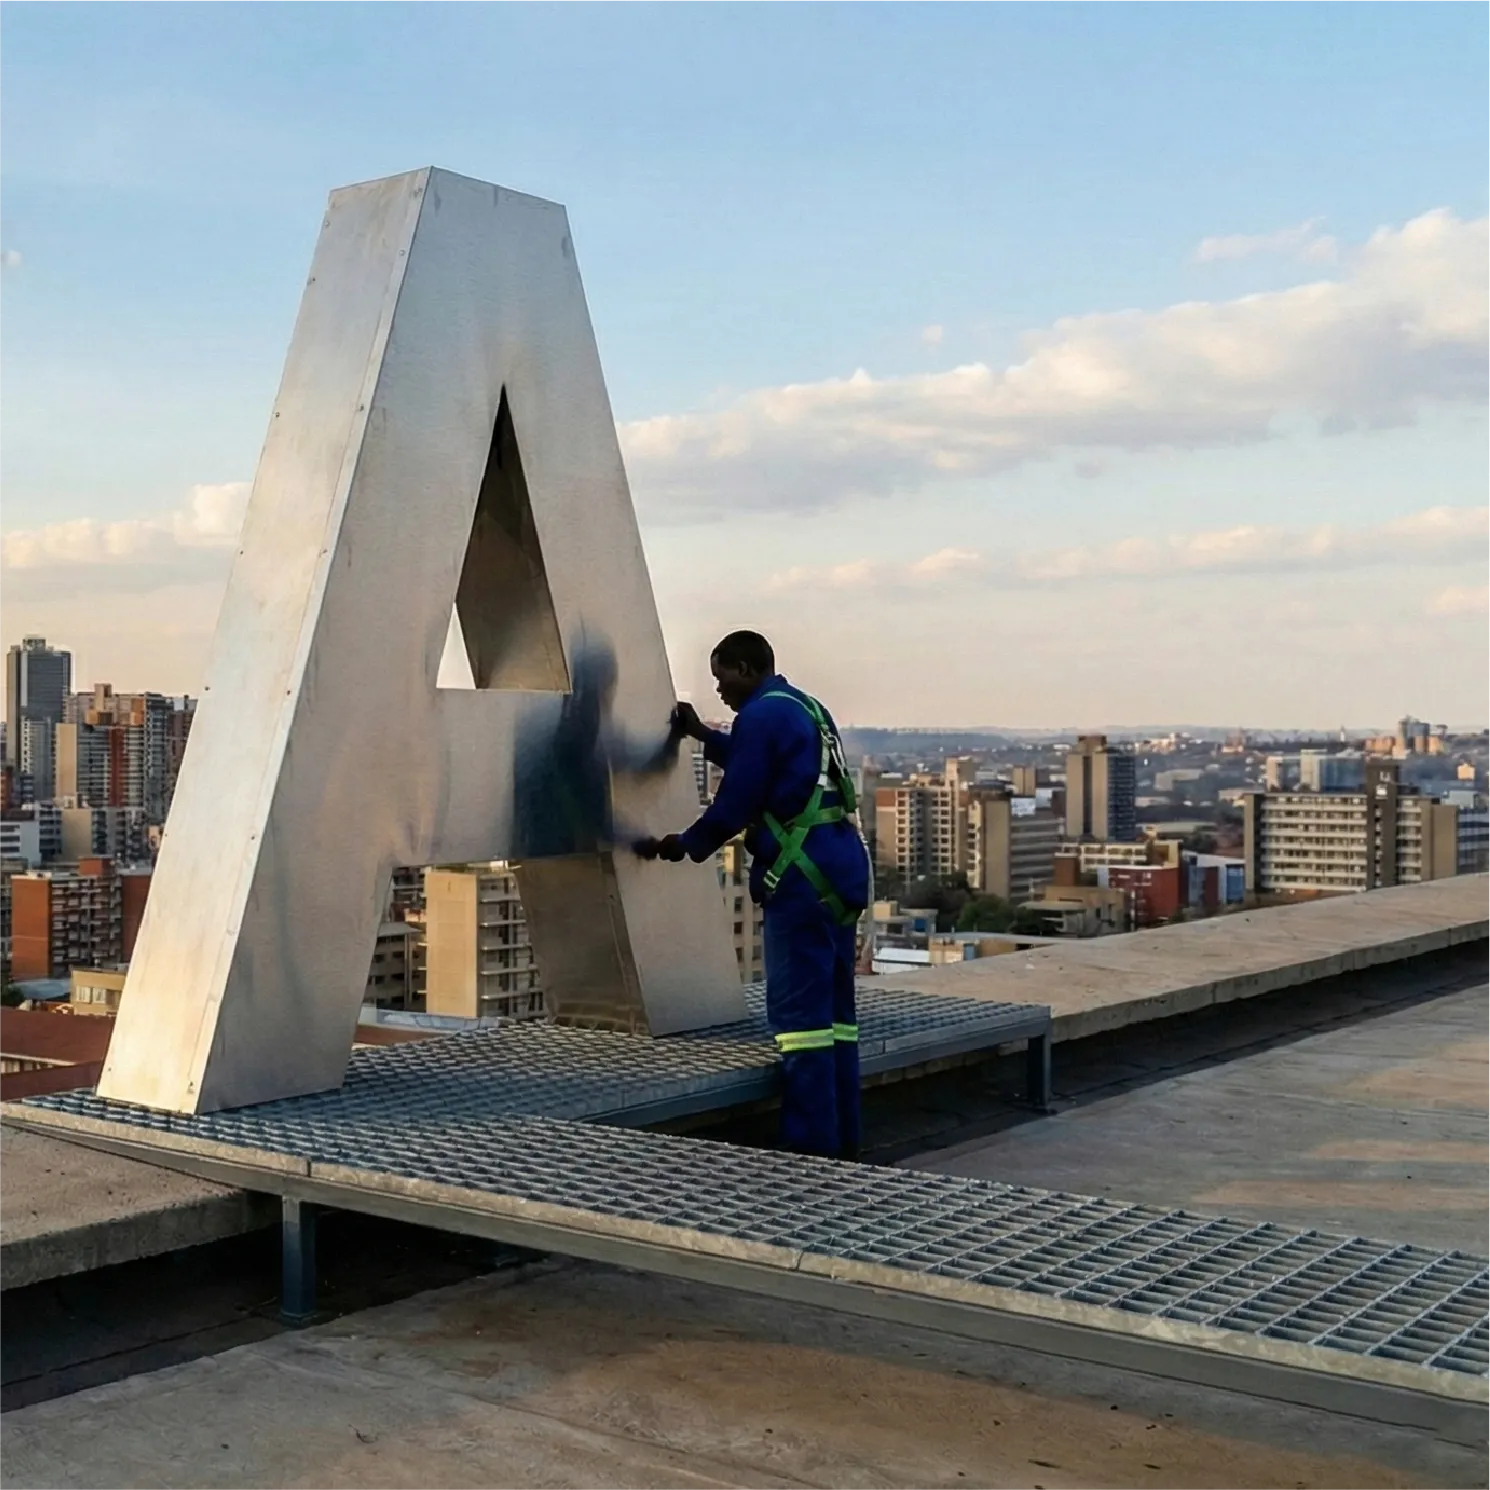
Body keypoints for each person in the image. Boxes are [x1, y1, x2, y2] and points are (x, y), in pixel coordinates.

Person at [635, 631, 870, 1160]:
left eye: (722, 678)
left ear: (744, 668)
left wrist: (685, 845)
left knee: (801, 1024)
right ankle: (843, 1139)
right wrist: (702, 735)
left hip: (801, 879)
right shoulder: (805, 707)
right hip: (838, 870)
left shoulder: (760, 717)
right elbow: (766, 767)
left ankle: (811, 1150)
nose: (720, 690)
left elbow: (737, 802)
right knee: (836, 1017)